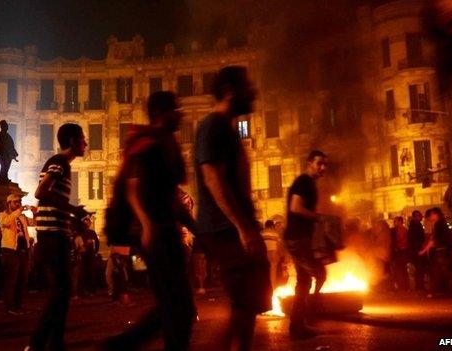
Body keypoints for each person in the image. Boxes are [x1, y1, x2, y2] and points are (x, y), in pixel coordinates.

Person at [103, 91, 196, 351]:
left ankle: (120, 346)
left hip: (165, 231)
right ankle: (118, 346)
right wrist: (146, 224)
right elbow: (133, 185)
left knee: (176, 307)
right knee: (178, 306)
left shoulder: (166, 143)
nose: (180, 114)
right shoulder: (149, 143)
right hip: (156, 233)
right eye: (174, 109)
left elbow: (171, 196)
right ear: (161, 113)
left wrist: (193, 226)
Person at [194, 66, 271, 351]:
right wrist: (242, 228)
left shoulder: (225, 128)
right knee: (245, 300)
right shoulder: (213, 126)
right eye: (247, 87)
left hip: (230, 227)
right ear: (229, 91)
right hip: (223, 228)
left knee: (248, 302)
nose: (253, 93)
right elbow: (212, 178)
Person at [27, 123, 87, 351]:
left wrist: (72, 216)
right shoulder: (60, 163)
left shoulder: (61, 164)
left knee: (62, 292)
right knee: (60, 292)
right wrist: (74, 209)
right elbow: (41, 192)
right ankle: (38, 343)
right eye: (82, 139)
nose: (85, 144)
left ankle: (54, 343)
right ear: (72, 141)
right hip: (52, 237)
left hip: (55, 235)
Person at [284, 150, 328, 339]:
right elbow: (295, 207)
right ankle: (308, 317)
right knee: (319, 274)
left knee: (303, 281)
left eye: (325, 164)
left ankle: (298, 326)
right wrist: (316, 217)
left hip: (298, 238)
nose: (323, 168)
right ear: (310, 162)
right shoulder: (304, 182)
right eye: (319, 163)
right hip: (297, 239)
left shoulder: (308, 183)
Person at [0, 193, 36, 315]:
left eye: (20, 202)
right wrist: (18, 211)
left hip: (23, 250)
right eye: (16, 202)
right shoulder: (2, 215)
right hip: (10, 250)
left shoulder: (22, 217)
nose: (19, 204)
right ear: (9, 203)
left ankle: (19, 305)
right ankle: (10, 306)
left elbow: (35, 223)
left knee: (22, 279)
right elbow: (5, 223)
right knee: (11, 279)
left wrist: (35, 213)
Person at [419, 207, 452, 295]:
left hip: (441, 251)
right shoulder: (440, 223)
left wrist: (424, 250)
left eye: (432, 214)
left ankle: (438, 291)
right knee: (441, 271)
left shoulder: (438, 224)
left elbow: (434, 240)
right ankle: (443, 290)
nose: (430, 216)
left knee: (442, 271)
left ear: (436, 214)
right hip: (443, 250)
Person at [407, 210, 427, 290]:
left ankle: (419, 285)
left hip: (416, 250)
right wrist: (420, 247)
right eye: (419, 216)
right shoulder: (415, 226)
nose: (421, 217)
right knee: (419, 269)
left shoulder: (415, 225)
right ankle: (419, 286)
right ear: (415, 217)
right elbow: (414, 239)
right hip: (417, 250)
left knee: (419, 269)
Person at [391, 216, 411, 291]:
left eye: (395, 221)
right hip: (402, 251)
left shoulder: (401, 230)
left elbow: (400, 240)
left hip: (401, 251)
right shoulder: (401, 229)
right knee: (403, 270)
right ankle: (405, 286)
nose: (394, 223)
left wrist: (396, 245)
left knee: (401, 270)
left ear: (399, 221)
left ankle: (404, 287)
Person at [261, 220, 281, 289]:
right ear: (272, 226)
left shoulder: (261, 233)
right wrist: (279, 254)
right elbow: (279, 244)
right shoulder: (276, 233)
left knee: (265, 271)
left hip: (265, 252)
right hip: (274, 252)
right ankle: (273, 287)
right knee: (273, 271)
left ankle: (266, 288)